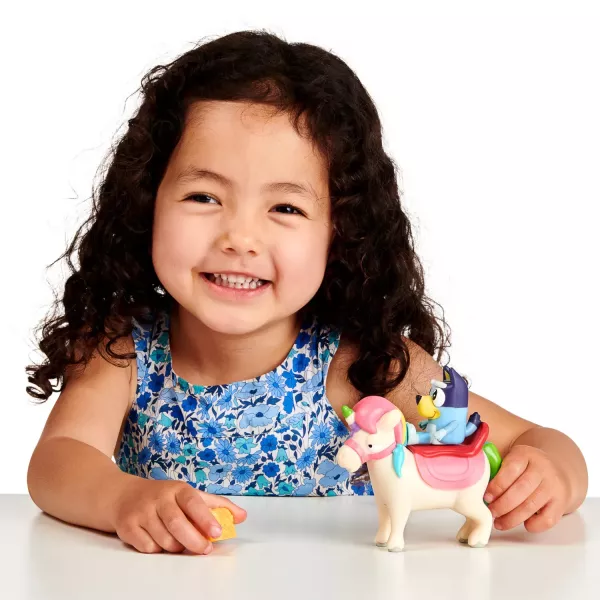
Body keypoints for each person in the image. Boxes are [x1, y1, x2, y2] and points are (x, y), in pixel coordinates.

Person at [25, 30, 588, 556]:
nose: (239, 238)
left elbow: (535, 439)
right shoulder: (122, 350)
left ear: (341, 233)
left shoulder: (362, 364)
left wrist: (552, 473)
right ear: (148, 202)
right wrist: (122, 498)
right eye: (203, 197)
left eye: (286, 208)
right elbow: (57, 463)